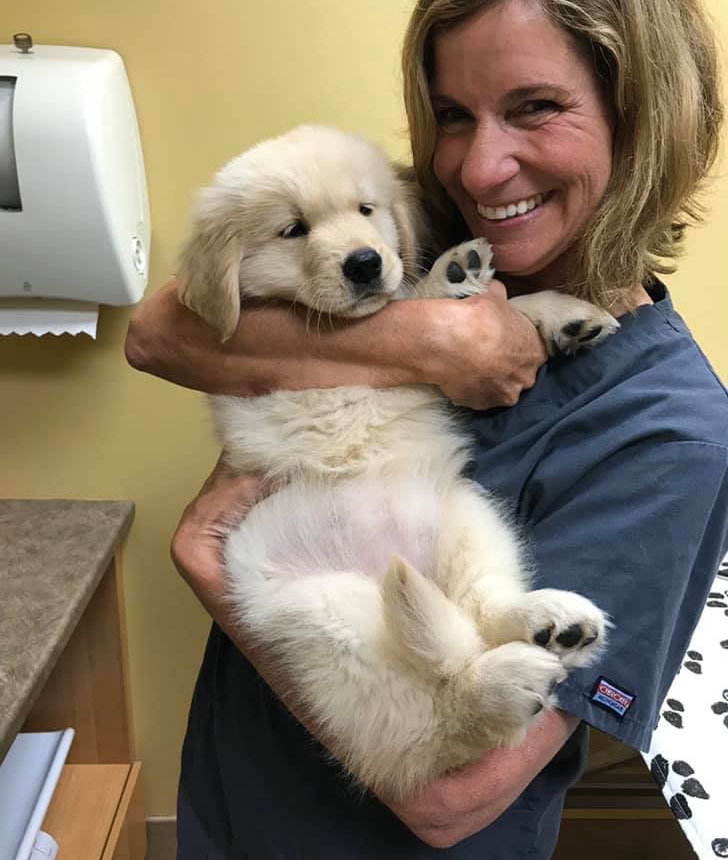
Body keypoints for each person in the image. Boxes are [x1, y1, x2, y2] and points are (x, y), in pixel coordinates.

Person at [125, 0, 728, 856]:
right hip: (238, 794)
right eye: (453, 115)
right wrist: (430, 335)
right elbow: (156, 331)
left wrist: (209, 566)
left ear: (642, 122)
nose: (480, 170)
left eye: (535, 107)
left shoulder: (672, 437)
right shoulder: (438, 227)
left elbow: (453, 801)